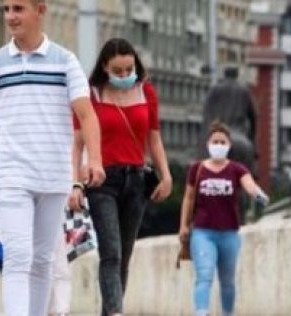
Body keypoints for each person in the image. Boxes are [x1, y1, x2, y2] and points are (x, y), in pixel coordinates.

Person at [0, 0, 105, 316]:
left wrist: (96, 161)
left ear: (40, 10)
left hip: (54, 172)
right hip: (12, 172)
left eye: (19, 9)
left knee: (44, 258)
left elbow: (87, 115)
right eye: (6, 9)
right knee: (18, 254)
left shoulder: (65, 61)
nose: (10, 16)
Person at [70, 37, 172, 316]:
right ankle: (116, 312)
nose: (125, 76)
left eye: (129, 69)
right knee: (111, 253)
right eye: (118, 71)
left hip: (137, 180)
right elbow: (77, 143)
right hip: (102, 181)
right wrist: (76, 183)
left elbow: (154, 138)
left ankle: (110, 311)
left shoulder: (146, 92)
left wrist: (166, 175)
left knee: (124, 256)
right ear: (105, 67)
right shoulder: (90, 94)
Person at [179, 121, 270, 316]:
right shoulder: (197, 169)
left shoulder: (237, 169)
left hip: (229, 233)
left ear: (229, 145)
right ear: (208, 144)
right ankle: (201, 312)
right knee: (204, 275)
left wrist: (259, 195)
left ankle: (228, 313)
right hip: (203, 232)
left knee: (227, 281)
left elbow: (249, 185)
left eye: (222, 142)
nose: (218, 145)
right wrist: (184, 226)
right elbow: (188, 198)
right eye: (215, 141)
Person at [201, 66, 257, 172]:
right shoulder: (244, 90)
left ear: (225, 74)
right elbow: (253, 117)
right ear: (236, 75)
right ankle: (253, 168)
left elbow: (206, 114)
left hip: (218, 131)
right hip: (241, 136)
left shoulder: (215, 89)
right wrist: (252, 141)